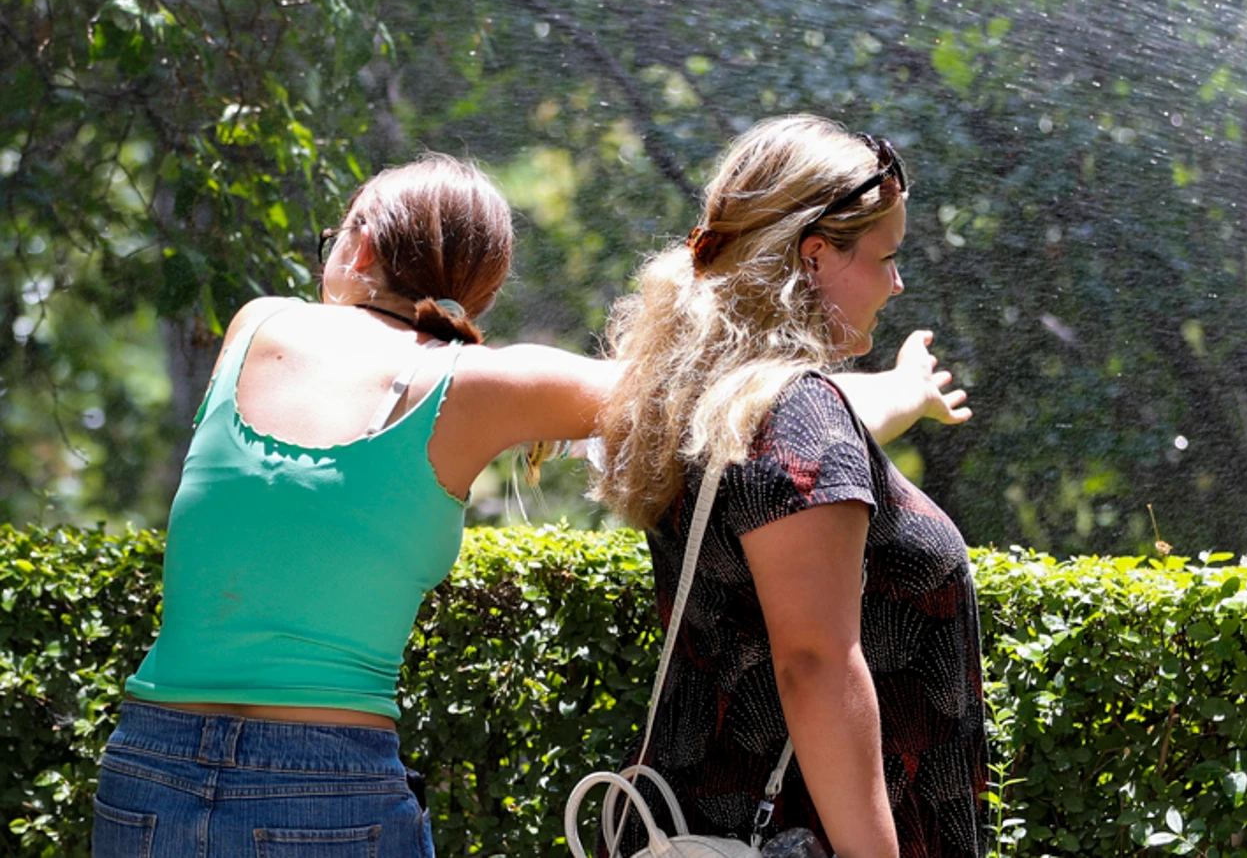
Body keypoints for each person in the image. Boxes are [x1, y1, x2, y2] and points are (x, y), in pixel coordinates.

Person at [94, 153, 962, 858]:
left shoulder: (255, 327)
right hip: (328, 786)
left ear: (357, 245)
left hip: (146, 768)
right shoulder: (483, 385)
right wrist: (893, 390)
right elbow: (738, 409)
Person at [595, 114, 987, 858]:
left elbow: (829, 442)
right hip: (805, 836)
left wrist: (905, 390)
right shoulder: (800, 420)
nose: (897, 282)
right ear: (814, 257)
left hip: (704, 823)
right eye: (887, 256)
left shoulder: (717, 402)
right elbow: (814, 665)